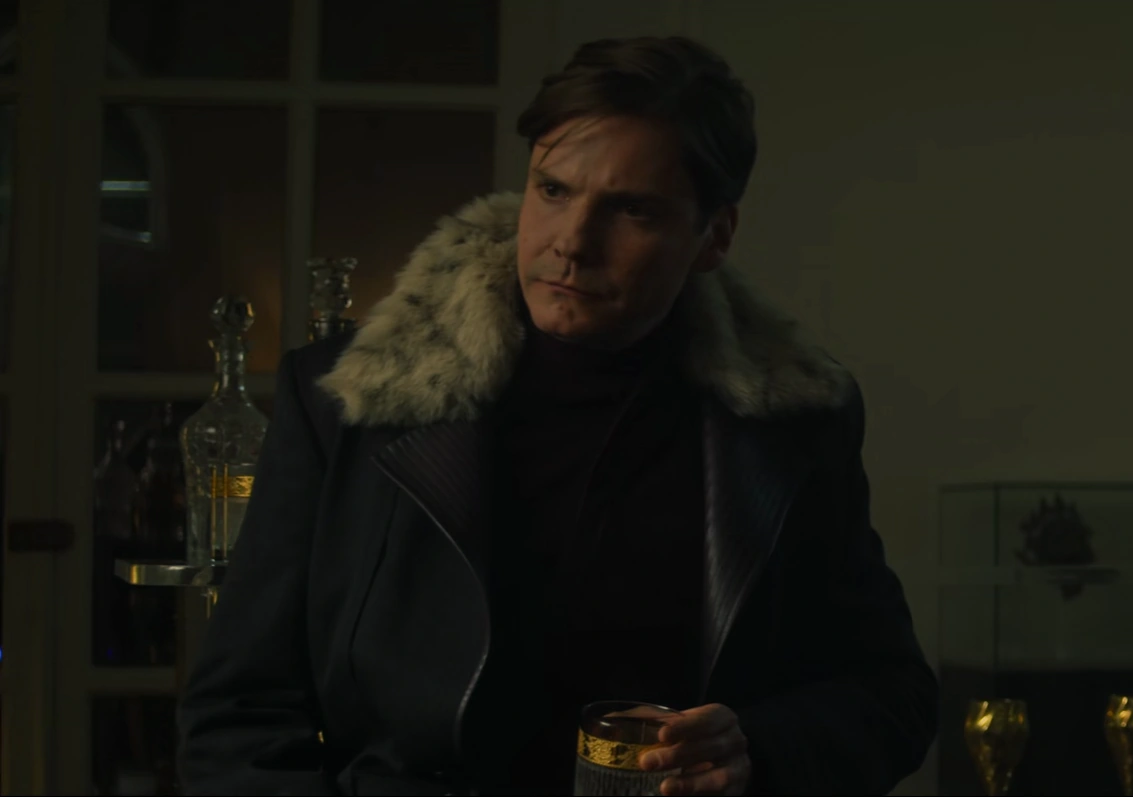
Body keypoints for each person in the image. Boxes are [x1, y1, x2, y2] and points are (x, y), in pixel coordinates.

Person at [177, 36, 938, 796]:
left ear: (714, 236)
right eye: (552, 189)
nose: (572, 243)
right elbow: (238, 713)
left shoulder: (791, 424)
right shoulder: (346, 402)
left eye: (631, 209)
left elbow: (891, 692)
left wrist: (757, 751)